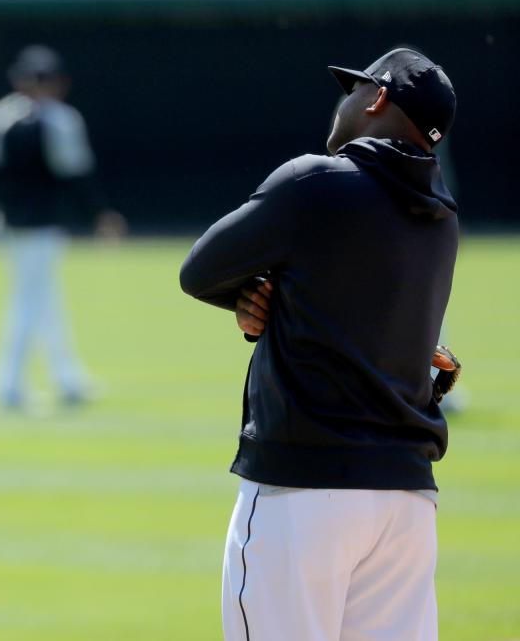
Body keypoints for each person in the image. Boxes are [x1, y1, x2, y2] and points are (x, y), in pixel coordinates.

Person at [179, 48, 458, 641]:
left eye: (355, 88)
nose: (346, 98)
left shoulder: (316, 180)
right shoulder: (442, 215)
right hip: (406, 501)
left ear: (378, 98)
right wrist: (271, 303)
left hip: (304, 491)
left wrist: (248, 297)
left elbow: (199, 269)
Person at [0, 44, 126, 410]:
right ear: (57, 82)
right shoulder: (60, 118)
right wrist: (101, 214)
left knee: (44, 298)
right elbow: (76, 175)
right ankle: (7, 385)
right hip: (39, 225)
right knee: (30, 299)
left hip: (4, 224)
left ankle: (69, 379)